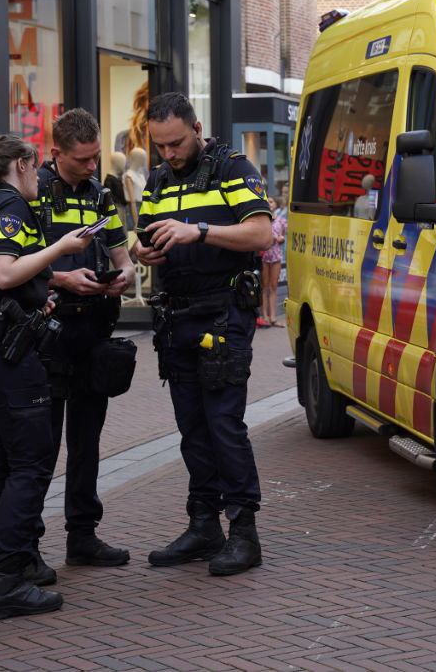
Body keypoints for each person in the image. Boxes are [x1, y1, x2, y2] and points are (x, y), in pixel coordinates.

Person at [0, 135, 92, 620]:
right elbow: (3, 273)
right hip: (2, 348)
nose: (39, 177)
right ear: (23, 165)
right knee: (30, 462)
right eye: (35, 166)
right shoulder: (13, 206)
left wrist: (34, 294)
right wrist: (60, 249)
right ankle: (9, 579)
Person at [131, 92, 274, 576]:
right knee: (192, 426)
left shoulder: (232, 168)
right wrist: (143, 251)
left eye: (175, 143)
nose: (168, 153)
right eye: (160, 146)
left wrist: (200, 231)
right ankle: (203, 524)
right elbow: (143, 235)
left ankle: (244, 532)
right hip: (176, 317)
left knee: (223, 424)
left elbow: (262, 234)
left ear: (196, 128)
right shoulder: (157, 179)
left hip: (223, 315)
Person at [32, 109, 136, 570]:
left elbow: (121, 256)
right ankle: (27, 546)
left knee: (87, 441)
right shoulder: (31, 193)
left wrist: (124, 276)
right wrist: (61, 279)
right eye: (83, 160)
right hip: (48, 334)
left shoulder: (99, 193)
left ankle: (83, 536)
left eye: (96, 157)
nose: (93, 166)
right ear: (56, 153)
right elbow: (13, 265)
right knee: (40, 445)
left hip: (92, 330)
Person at [258, 196, 287, 328]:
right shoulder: (262, 220)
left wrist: (281, 239)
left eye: (271, 201)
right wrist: (275, 237)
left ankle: (273, 317)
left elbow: (283, 235)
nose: (269, 204)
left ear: (276, 204)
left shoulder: (281, 220)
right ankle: (265, 316)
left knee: (274, 286)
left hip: (276, 256)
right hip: (264, 256)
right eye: (267, 202)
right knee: (265, 287)